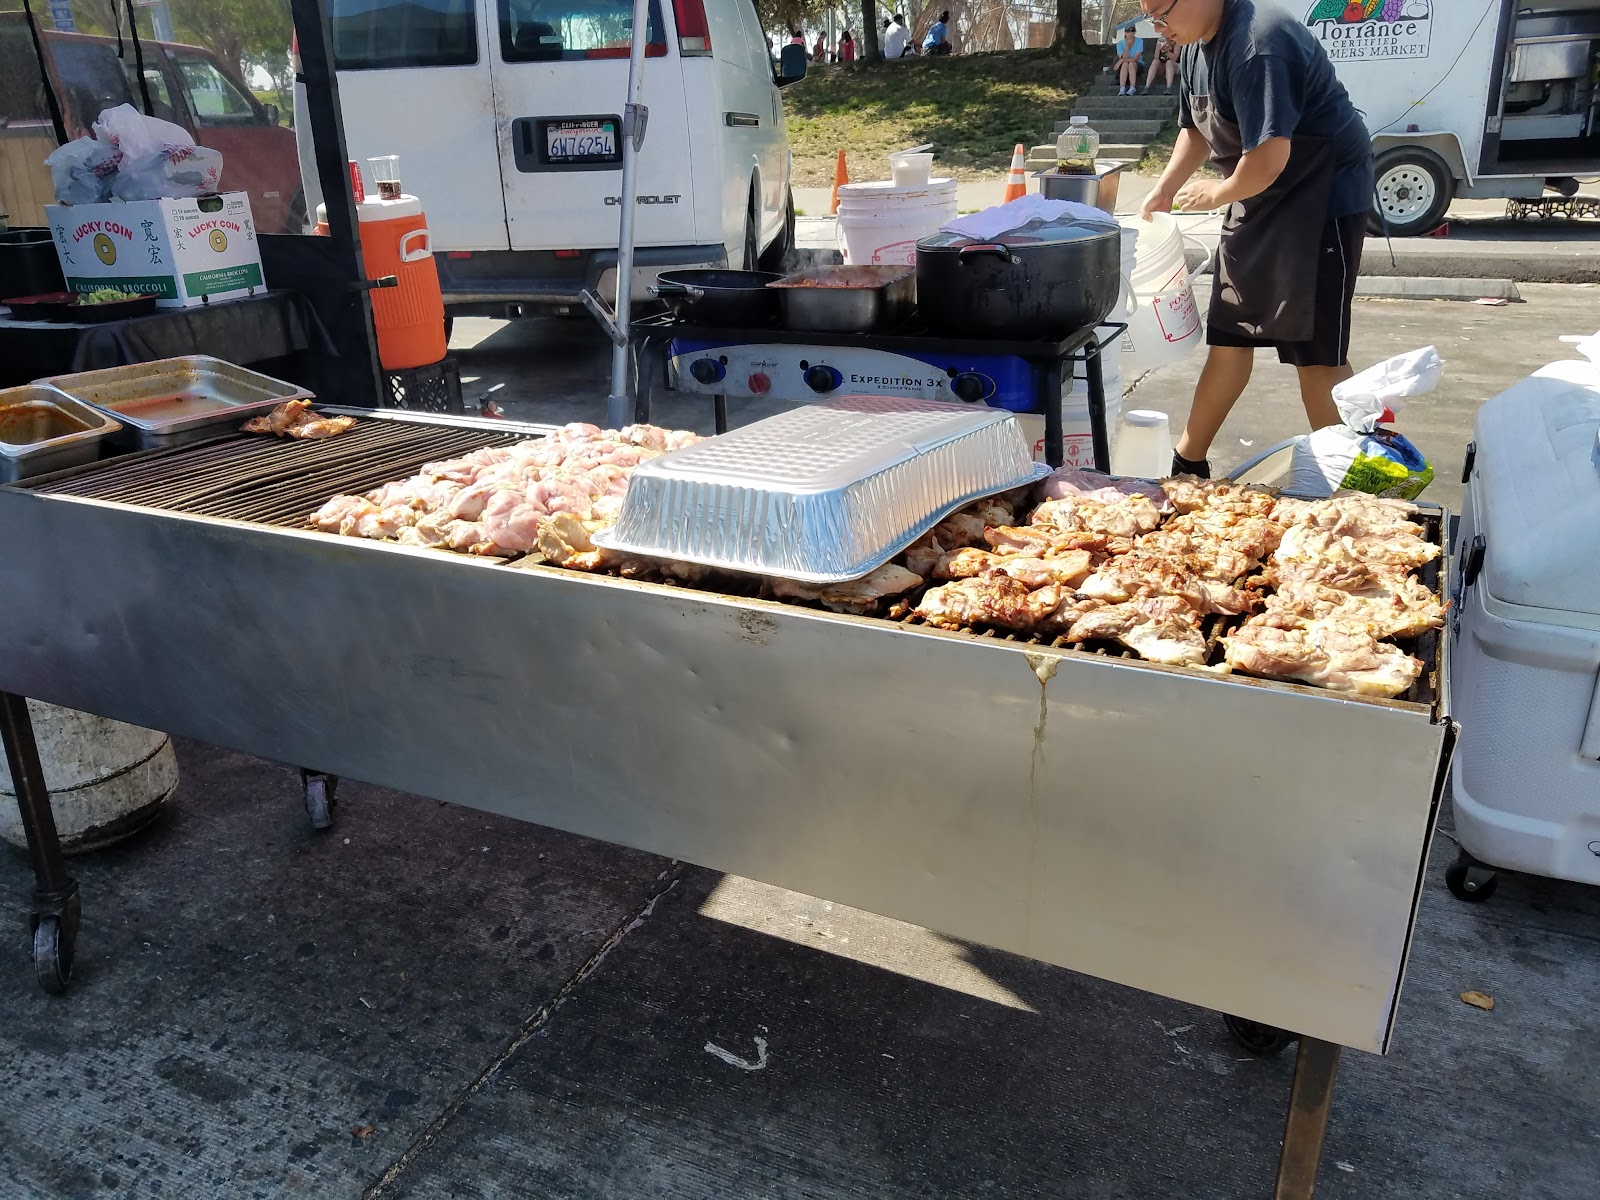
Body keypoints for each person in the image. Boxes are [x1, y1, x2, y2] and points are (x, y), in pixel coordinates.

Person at [1137, 0, 1374, 478]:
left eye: (1162, 14)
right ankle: (1187, 462)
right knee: (1231, 333)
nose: (1160, 30)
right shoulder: (1191, 47)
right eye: (1152, 20)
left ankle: (1355, 488)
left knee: (1316, 355)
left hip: (1319, 198)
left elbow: (1269, 156)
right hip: (1257, 192)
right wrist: (1164, 188)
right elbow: (1196, 131)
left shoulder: (1259, 43)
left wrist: (1220, 191)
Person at [1114, 27, 1143, 96]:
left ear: (1135, 32)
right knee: (1125, 64)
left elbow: (1135, 58)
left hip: (1137, 64)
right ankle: (1122, 88)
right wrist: (1127, 47)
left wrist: (1121, 60)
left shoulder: (1139, 41)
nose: (1130, 33)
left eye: (1132, 30)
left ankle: (1132, 87)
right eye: (1128, 31)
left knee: (1131, 64)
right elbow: (1124, 57)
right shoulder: (1120, 44)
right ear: (1125, 32)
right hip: (1125, 65)